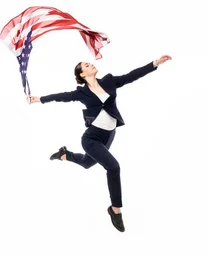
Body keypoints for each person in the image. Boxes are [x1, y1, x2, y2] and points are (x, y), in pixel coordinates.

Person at [27, 54, 172, 232]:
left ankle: (65, 154)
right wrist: (40, 99)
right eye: (86, 65)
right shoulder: (81, 92)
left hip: (109, 135)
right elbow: (62, 96)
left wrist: (155, 63)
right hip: (91, 138)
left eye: (89, 63)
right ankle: (115, 210)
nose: (90, 64)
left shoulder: (109, 81)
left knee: (88, 163)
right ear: (82, 74)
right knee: (113, 167)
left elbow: (130, 76)